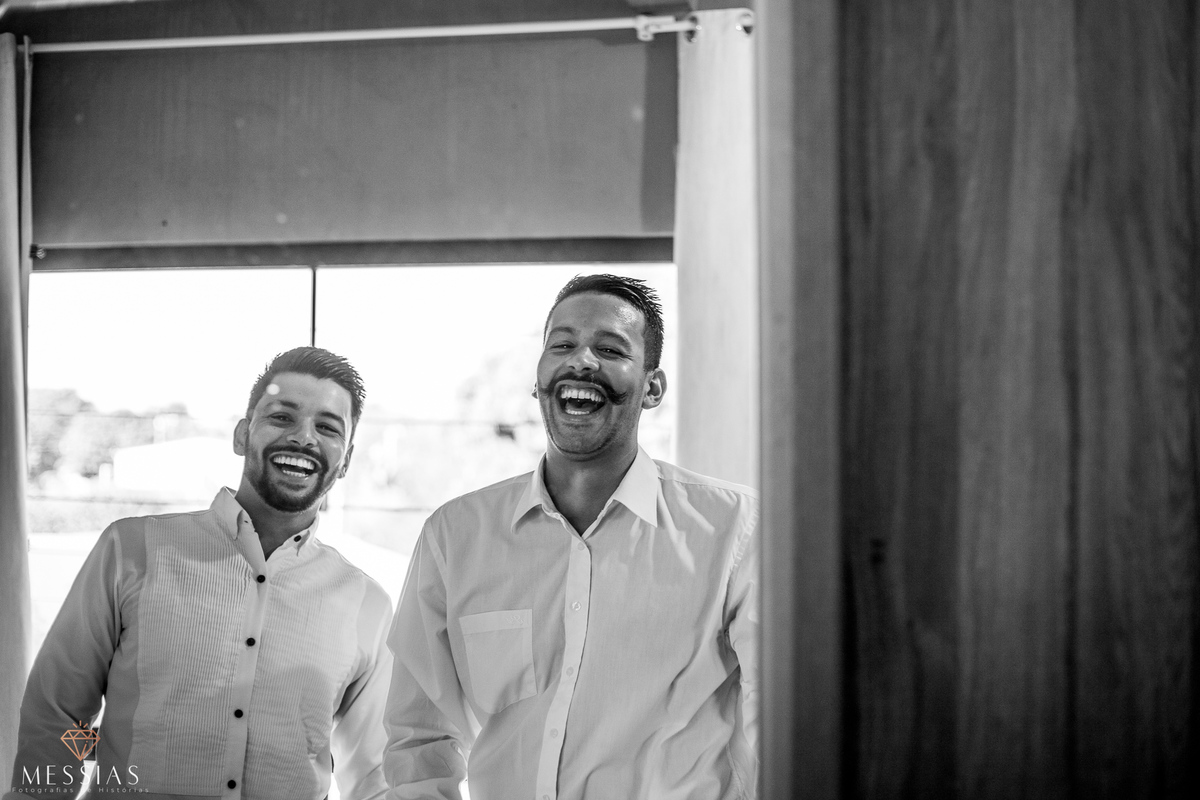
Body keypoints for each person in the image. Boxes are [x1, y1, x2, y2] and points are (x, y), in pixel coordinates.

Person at [384, 275, 759, 799]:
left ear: (652, 388)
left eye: (610, 349)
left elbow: (779, 726)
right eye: (561, 345)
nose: (581, 361)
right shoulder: (454, 536)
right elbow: (419, 740)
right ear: (537, 379)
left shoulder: (736, 529)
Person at [6, 347, 392, 800]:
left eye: (327, 427)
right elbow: (58, 715)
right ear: (242, 435)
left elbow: (375, 776)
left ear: (345, 460)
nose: (303, 437)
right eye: (282, 417)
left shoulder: (367, 604)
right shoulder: (130, 551)